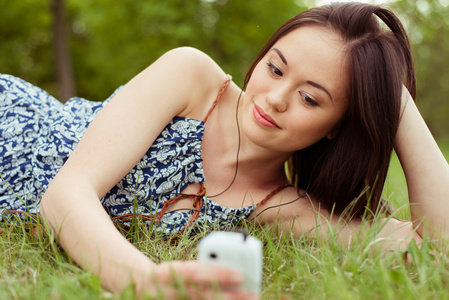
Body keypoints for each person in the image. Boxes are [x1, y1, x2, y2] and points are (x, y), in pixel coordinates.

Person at [1, 2, 448, 298]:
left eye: (311, 99)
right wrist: (144, 281)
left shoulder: (283, 207)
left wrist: (396, 102)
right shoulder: (193, 78)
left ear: (337, 127)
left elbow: (437, 245)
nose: (275, 97)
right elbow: (65, 193)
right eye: (275, 68)